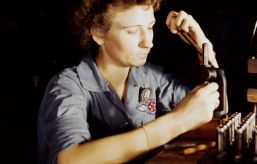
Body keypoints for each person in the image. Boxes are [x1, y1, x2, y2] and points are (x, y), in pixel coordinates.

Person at [37, 0, 220, 163]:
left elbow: (212, 109)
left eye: (150, 27)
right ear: (98, 33)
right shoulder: (67, 86)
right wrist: (175, 122)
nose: (148, 43)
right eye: (132, 31)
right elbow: (69, 159)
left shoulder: (149, 77)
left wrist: (203, 48)